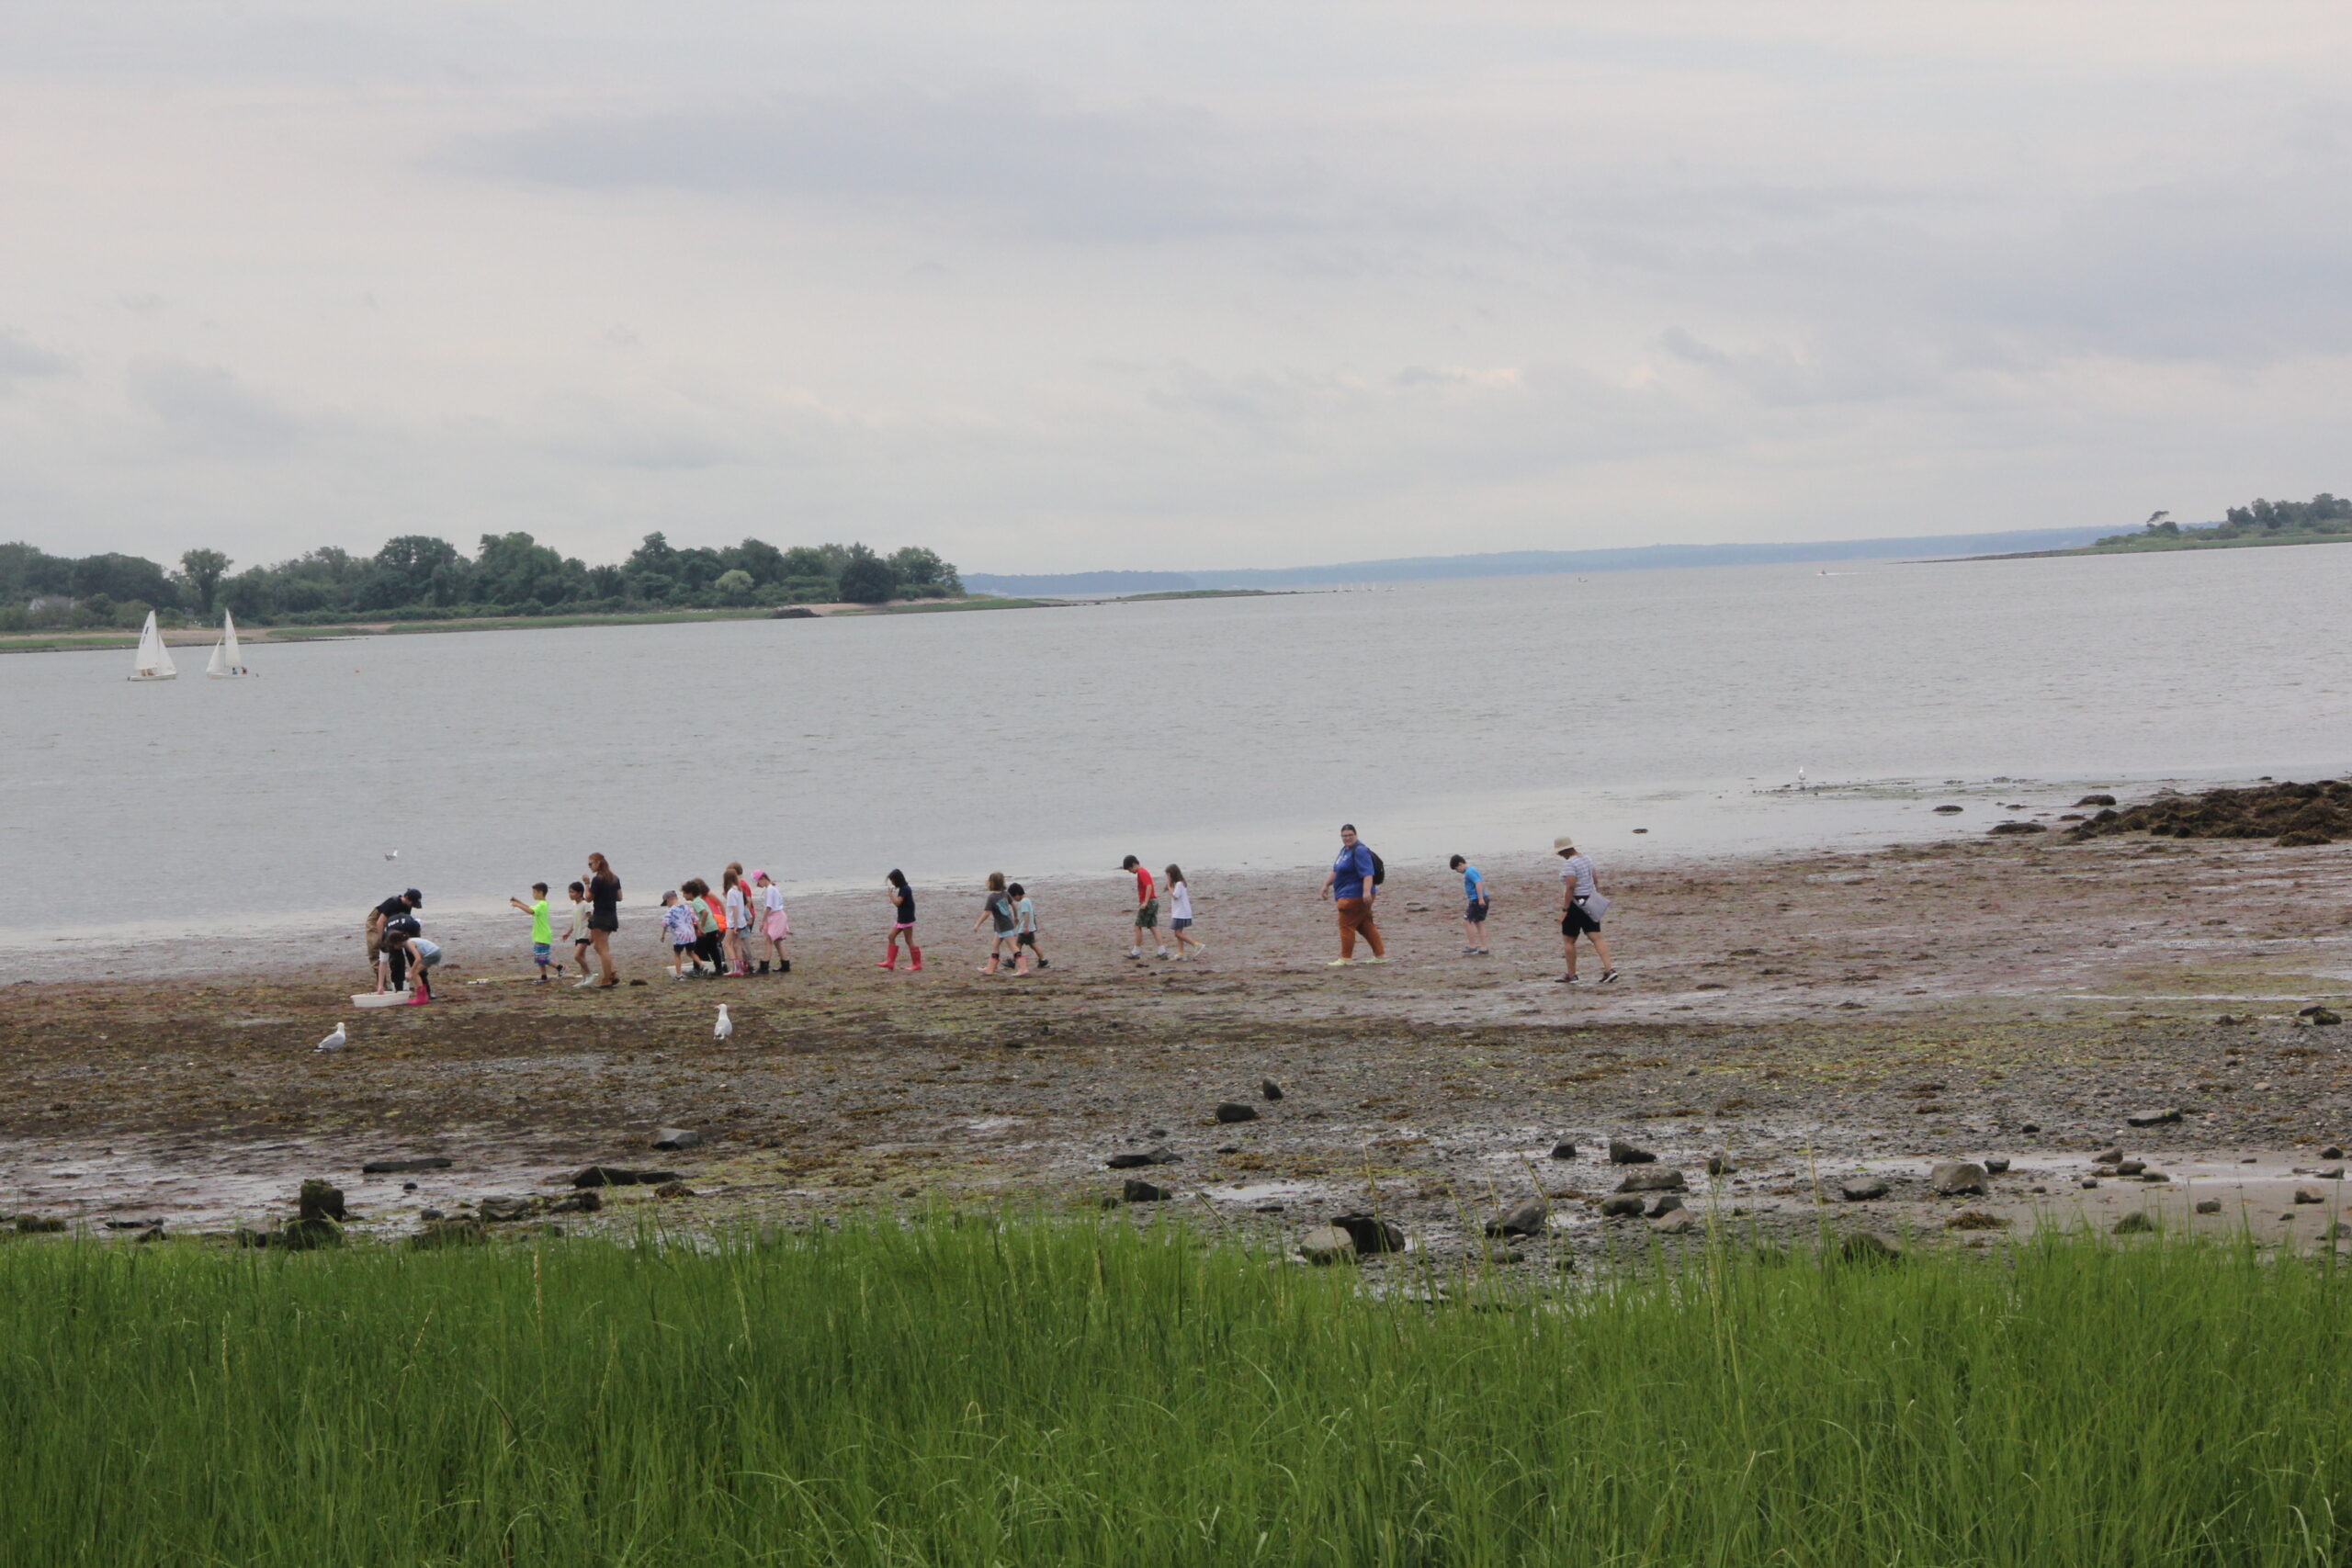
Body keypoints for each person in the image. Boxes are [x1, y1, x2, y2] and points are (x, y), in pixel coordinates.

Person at [1554, 834, 1617, 985]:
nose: (1559, 855)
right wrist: (1595, 893)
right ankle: (1609, 969)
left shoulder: (1570, 864)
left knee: (1569, 940)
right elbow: (1595, 878)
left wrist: (1565, 910)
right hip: (1589, 902)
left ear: (1564, 851)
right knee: (1597, 937)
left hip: (1576, 905)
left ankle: (1571, 974)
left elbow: (1570, 886)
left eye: (1559, 852)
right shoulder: (1587, 859)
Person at [1320, 823, 1386, 965]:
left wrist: (1366, 892)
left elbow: (1368, 873)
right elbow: (1336, 870)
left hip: (1355, 895)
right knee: (1365, 924)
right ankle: (1380, 955)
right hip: (1346, 893)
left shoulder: (1360, 851)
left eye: (1350, 835)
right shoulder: (1345, 850)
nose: (1347, 838)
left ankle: (1346, 958)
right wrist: (1326, 884)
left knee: (1346, 925)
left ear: (1356, 835)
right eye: (1344, 836)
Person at [365, 888, 422, 986]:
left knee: (395, 949)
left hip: (390, 921)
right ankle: (381, 983)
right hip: (375, 922)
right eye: (412, 903)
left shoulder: (407, 906)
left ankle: (398, 981)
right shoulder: (393, 903)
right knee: (376, 946)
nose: (412, 906)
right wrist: (382, 939)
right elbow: (380, 922)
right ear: (407, 898)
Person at [584, 852, 622, 987]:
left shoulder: (598, 879)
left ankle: (607, 978)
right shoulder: (614, 878)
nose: (590, 867)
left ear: (598, 862)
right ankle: (611, 972)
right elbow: (619, 897)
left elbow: (588, 898)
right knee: (598, 946)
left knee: (603, 948)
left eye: (590, 863)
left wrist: (587, 884)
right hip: (612, 915)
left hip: (601, 915)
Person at [1120, 854, 1167, 960]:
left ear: (1133, 864)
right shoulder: (1143, 872)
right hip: (1153, 901)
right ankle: (1162, 950)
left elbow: (1149, 886)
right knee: (1153, 926)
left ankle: (1136, 951)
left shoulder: (1141, 872)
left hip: (1149, 902)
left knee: (1137, 926)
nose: (1130, 872)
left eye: (1129, 869)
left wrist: (1145, 902)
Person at [972, 872, 1020, 974]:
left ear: (991, 883)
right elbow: (1014, 905)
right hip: (1001, 926)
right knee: (994, 945)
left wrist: (977, 924)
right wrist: (1015, 917)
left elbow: (986, 913)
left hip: (1005, 926)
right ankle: (991, 968)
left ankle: (1023, 967)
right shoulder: (1006, 894)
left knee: (1013, 947)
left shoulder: (992, 897)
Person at [510, 882, 555, 982]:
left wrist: (517, 905)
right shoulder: (541, 904)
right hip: (539, 935)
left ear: (540, 892)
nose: (533, 894)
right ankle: (544, 977)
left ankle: (560, 967)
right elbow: (530, 908)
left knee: (542, 958)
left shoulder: (542, 905)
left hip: (543, 935)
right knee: (539, 958)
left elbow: (531, 911)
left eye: (534, 892)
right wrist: (519, 902)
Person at [1450, 855, 1490, 955]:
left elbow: (1478, 883)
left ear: (1460, 864)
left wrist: (1480, 898)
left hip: (1477, 900)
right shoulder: (1472, 870)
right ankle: (1484, 948)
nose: (1457, 871)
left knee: (1466, 921)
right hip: (1480, 899)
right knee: (1478, 923)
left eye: (1456, 869)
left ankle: (1472, 946)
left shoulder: (1469, 872)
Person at [881, 870, 922, 970]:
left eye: (893, 881)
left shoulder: (905, 889)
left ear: (897, 879)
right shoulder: (903, 889)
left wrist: (890, 895)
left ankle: (917, 964)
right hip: (902, 919)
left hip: (906, 919)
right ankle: (890, 962)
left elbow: (897, 903)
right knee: (891, 936)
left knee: (909, 940)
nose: (893, 883)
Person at [752, 870, 791, 974]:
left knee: (768, 940)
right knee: (777, 941)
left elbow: (768, 907)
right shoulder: (771, 888)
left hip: (776, 916)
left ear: (763, 879)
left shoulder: (770, 890)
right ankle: (785, 964)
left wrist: (763, 921)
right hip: (778, 915)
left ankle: (764, 966)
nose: (758, 884)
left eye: (758, 881)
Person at [1165, 864, 1204, 960]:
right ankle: (1181, 953)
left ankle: (1196, 944)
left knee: (1178, 933)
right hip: (1180, 912)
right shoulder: (1181, 884)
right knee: (1179, 933)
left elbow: (1175, 896)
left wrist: (1169, 886)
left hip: (1181, 913)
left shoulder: (1179, 884)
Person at [660, 890, 698, 980]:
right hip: (690, 935)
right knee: (690, 952)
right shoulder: (687, 907)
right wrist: (699, 929)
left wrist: (663, 935)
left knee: (677, 954)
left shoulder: (670, 910)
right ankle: (701, 964)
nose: (667, 905)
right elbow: (695, 919)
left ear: (668, 900)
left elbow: (665, 924)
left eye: (666, 902)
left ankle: (679, 975)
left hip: (679, 937)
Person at [1010, 882, 1046, 972]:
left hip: (1025, 929)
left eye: (1014, 897)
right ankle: (1042, 960)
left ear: (1017, 894)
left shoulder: (1024, 902)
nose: (1015, 900)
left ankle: (1013, 962)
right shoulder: (1027, 900)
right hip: (1029, 927)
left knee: (1018, 945)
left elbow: (1026, 914)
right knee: (1032, 944)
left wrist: (1025, 927)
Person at [562, 880, 594, 987]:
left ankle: (589, 974)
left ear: (580, 893)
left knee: (577, 956)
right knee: (582, 957)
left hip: (585, 934)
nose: (570, 894)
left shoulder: (586, 905)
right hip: (578, 934)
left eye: (572, 892)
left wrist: (592, 934)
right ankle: (584, 980)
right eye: (569, 892)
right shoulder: (574, 905)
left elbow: (591, 919)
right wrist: (568, 933)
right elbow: (575, 921)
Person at [721, 867, 751, 978]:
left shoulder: (731, 892)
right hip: (741, 921)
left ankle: (736, 968)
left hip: (734, 923)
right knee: (737, 945)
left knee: (727, 944)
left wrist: (735, 926)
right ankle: (741, 968)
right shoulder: (738, 890)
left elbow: (734, 909)